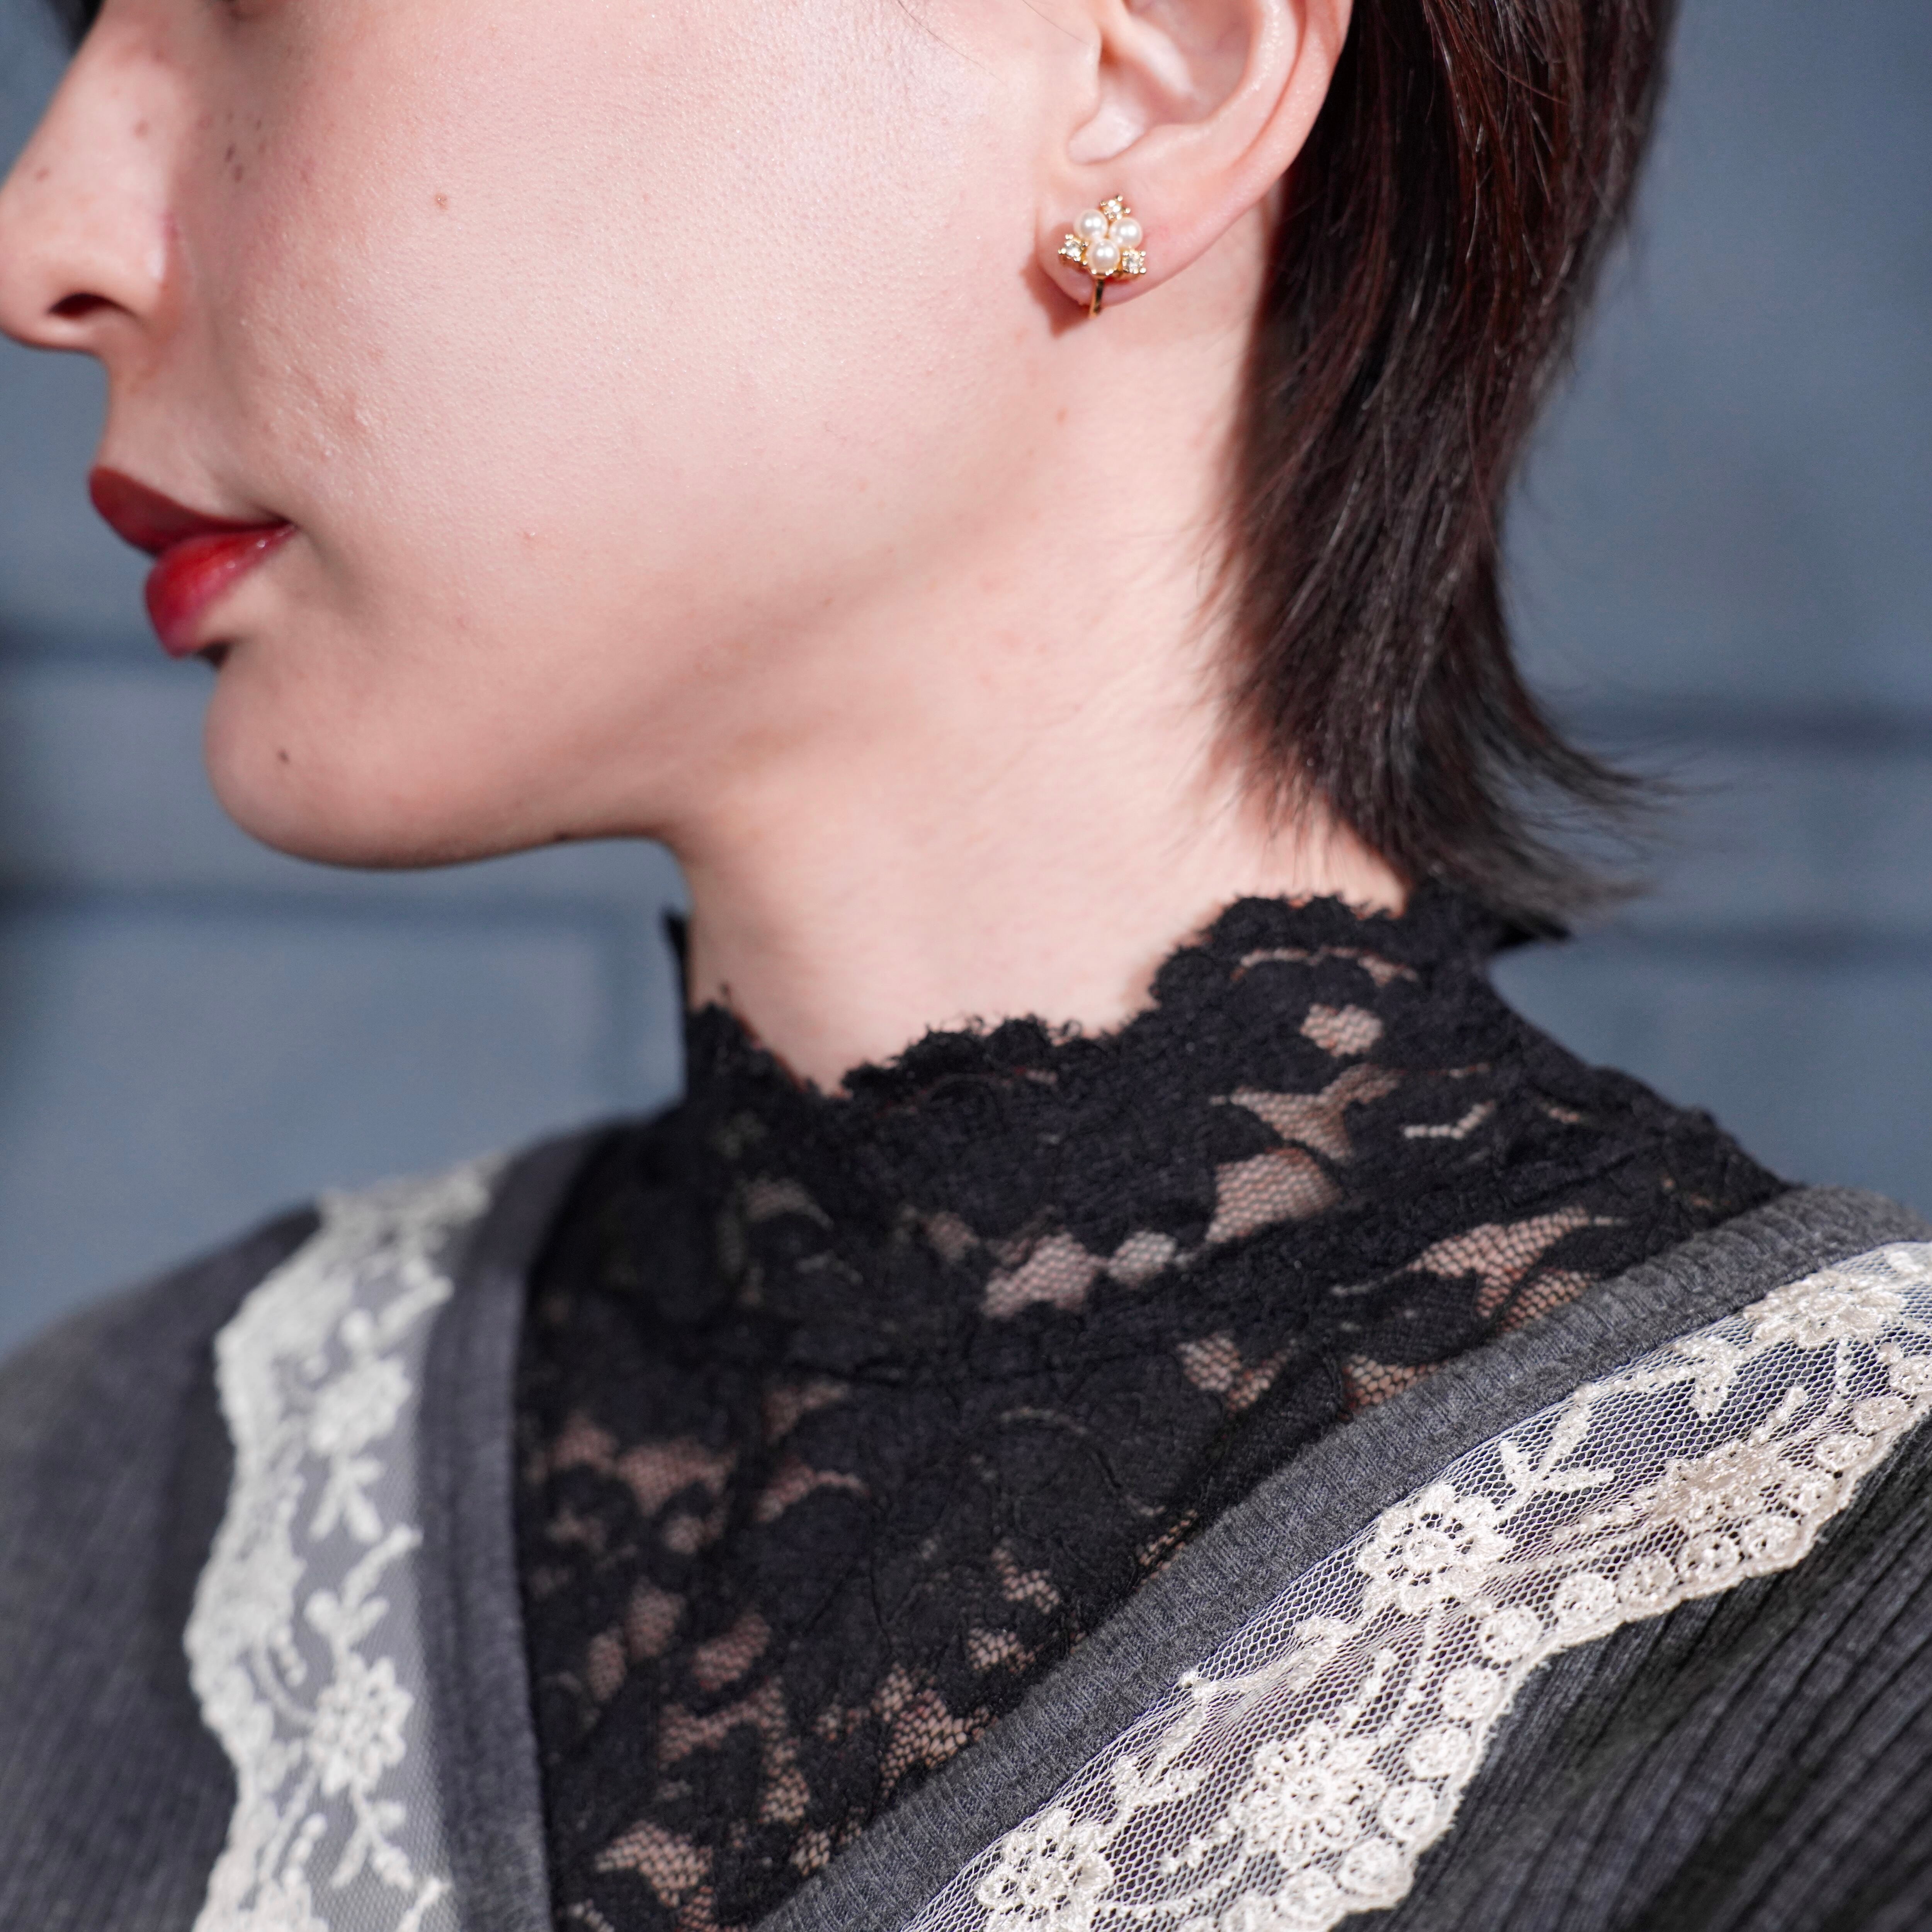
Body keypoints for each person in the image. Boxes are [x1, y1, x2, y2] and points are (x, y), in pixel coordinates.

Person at [2, 0, 1930, 1928]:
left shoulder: (1852, 1628)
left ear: (1148, 74)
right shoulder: (85, 1496)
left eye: (244, 8)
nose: (41, 244)